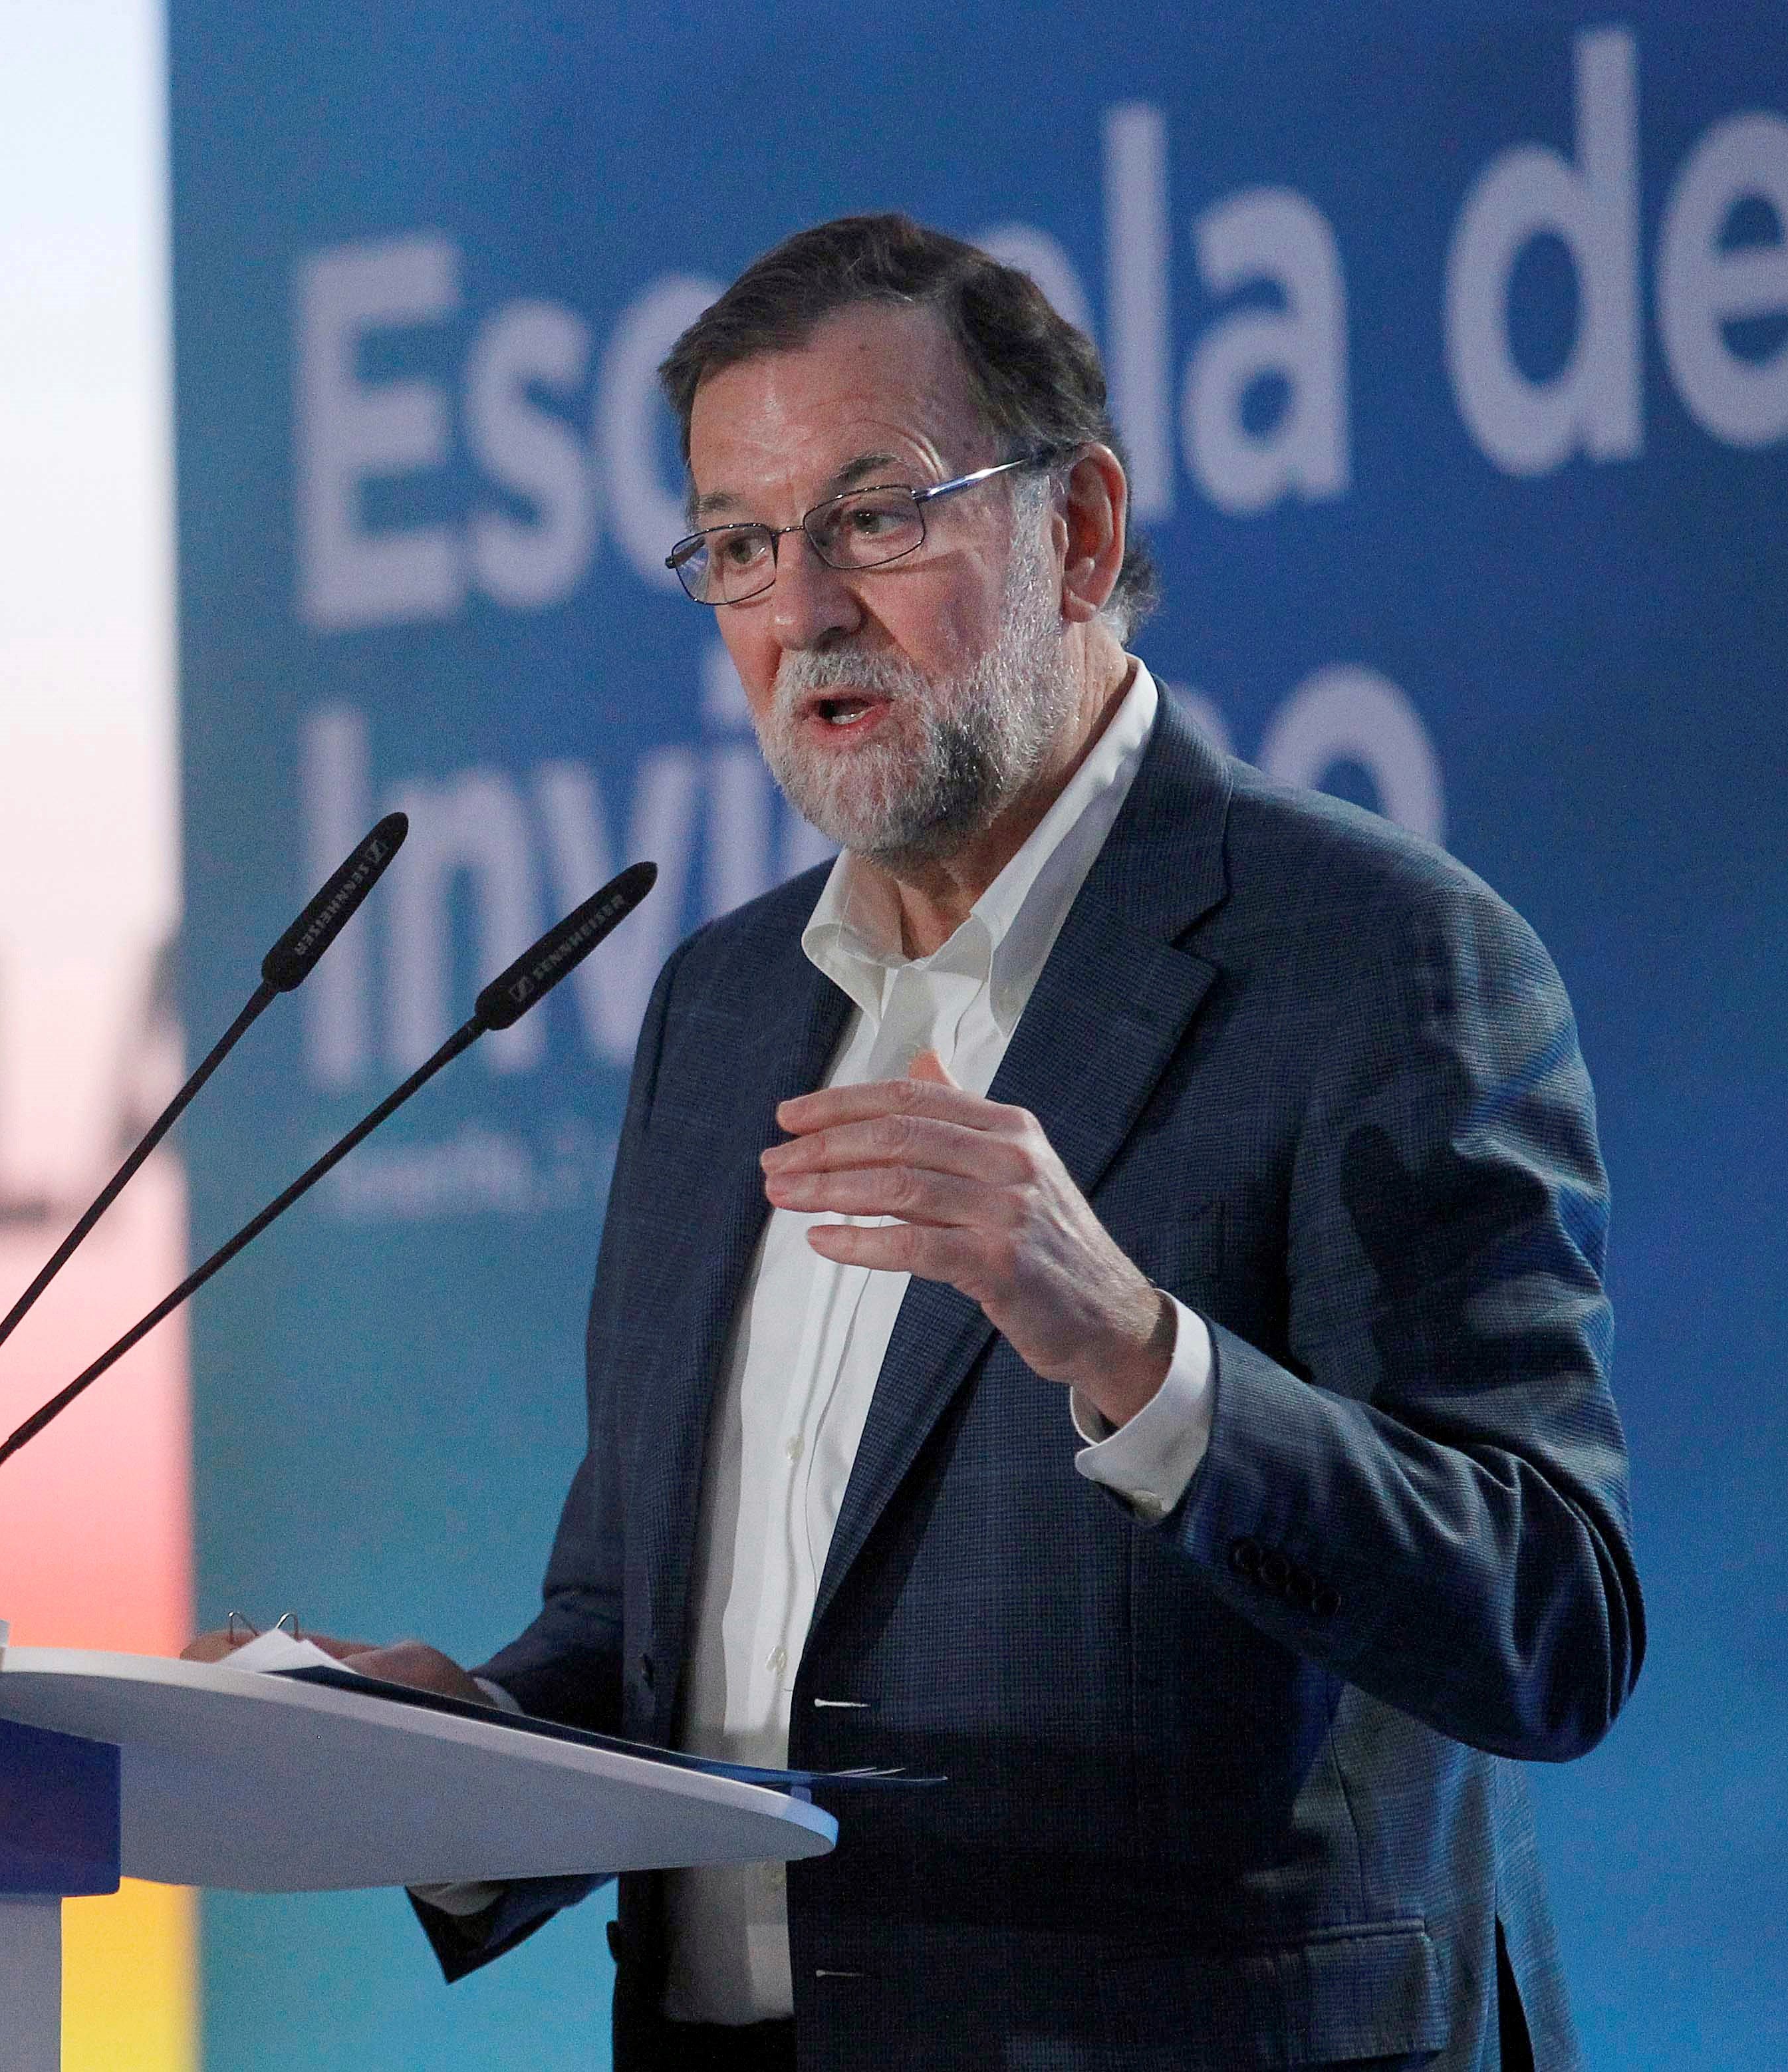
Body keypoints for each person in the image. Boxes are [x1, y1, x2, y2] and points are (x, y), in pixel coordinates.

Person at [190, 215, 1638, 2070]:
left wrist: (1140, 1350)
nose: (800, 610)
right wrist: (446, 1739)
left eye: (876, 516)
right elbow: (650, 1629)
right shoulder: (720, 1012)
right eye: (736, 544)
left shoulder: (1375, 958)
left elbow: (1549, 1618)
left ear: (1081, 534)